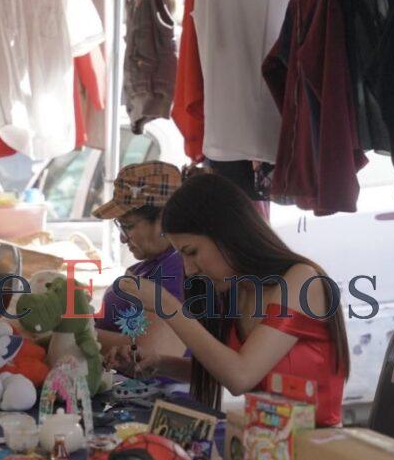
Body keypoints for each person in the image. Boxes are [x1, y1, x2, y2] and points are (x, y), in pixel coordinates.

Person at [112, 170, 349, 426]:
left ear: (227, 234)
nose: (189, 269)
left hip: (315, 444)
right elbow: (227, 370)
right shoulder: (236, 290)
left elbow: (241, 376)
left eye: (192, 252)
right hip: (264, 440)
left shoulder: (302, 280)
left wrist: (167, 305)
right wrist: (160, 364)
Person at [92, 162, 186, 369]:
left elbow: (152, 352)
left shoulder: (176, 270)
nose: (122, 239)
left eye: (127, 225)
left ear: (164, 219)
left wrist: (75, 332)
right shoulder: (149, 266)